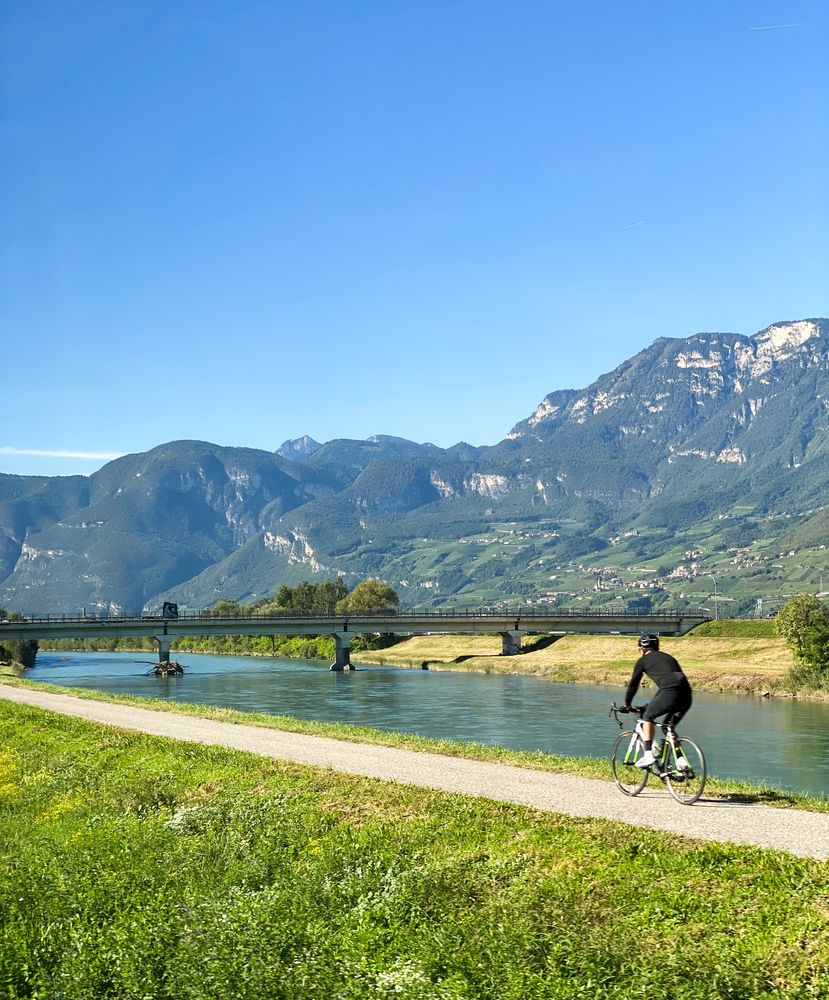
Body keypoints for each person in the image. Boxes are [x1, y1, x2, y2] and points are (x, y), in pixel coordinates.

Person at [622, 633, 693, 769]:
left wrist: (627, 704)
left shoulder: (642, 661)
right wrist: (650, 704)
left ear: (642, 649)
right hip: (686, 694)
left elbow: (633, 685)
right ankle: (681, 762)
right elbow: (668, 688)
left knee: (648, 717)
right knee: (668, 727)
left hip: (669, 691)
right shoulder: (668, 657)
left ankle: (648, 754)